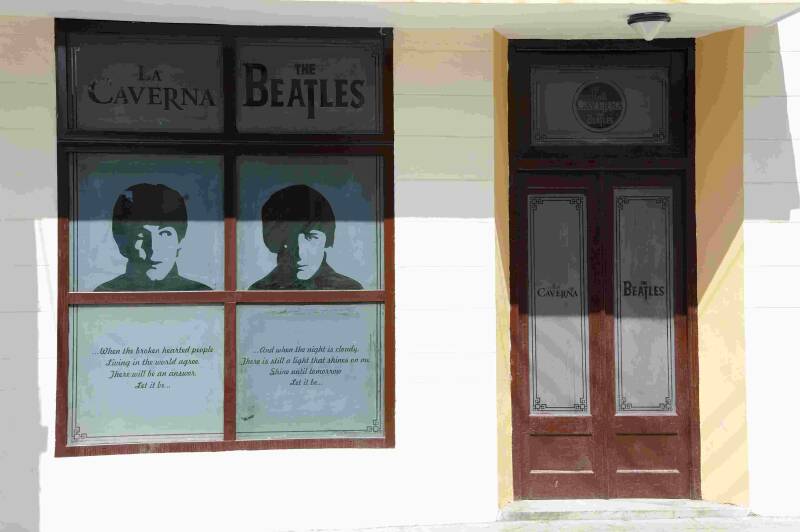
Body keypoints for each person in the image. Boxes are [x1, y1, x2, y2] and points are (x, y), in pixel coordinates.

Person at [94, 183, 211, 291]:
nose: (154, 250)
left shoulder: (202, 295)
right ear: (122, 244)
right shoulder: (104, 295)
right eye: (141, 236)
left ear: (180, 242)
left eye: (165, 234)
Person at [248, 184, 362, 290]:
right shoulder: (258, 292)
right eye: (290, 238)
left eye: (311, 238)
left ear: (326, 239)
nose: (300, 254)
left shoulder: (349, 290)